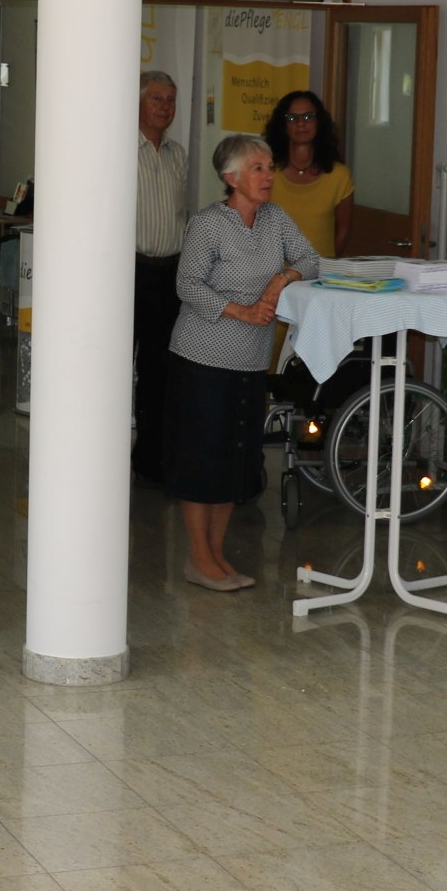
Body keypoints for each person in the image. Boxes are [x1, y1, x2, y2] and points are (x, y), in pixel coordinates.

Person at [168, 134, 318, 591]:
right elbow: (187, 285)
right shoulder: (208, 224)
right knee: (203, 458)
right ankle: (198, 557)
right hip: (202, 358)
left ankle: (216, 554)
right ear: (231, 178)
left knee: (235, 458)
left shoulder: (275, 219)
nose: (269, 175)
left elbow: (311, 259)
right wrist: (242, 311)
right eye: (258, 168)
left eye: (270, 167)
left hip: (251, 361)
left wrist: (281, 278)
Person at [133, 70, 191, 483]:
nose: (165, 107)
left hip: (169, 274)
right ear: (138, 102)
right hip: (128, 273)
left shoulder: (178, 154)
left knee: (160, 371)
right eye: (156, 99)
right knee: (115, 368)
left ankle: (151, 460)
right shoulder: (119, 150)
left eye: (170, 100)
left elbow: (181, 213)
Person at [264, 90, 355, 260]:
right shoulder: (267, 173)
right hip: (274, 272)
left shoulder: (339, 176)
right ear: (283, 125)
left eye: (308, 117)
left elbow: (343, 231)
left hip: (319, 273)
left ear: (319, 122)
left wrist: (320, 265)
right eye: (292, 118)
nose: (300, 123)